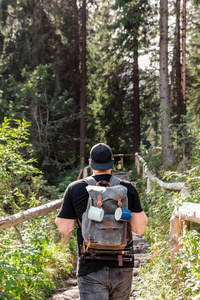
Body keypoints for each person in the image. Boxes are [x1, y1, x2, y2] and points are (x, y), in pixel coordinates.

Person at [55, 143, 148, 300]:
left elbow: (64, 228)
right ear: (112, 161)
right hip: (122, 264)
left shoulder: (75, 188)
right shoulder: (127, 188)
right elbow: (139, 229)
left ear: (90, 162)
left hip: (90, 265)